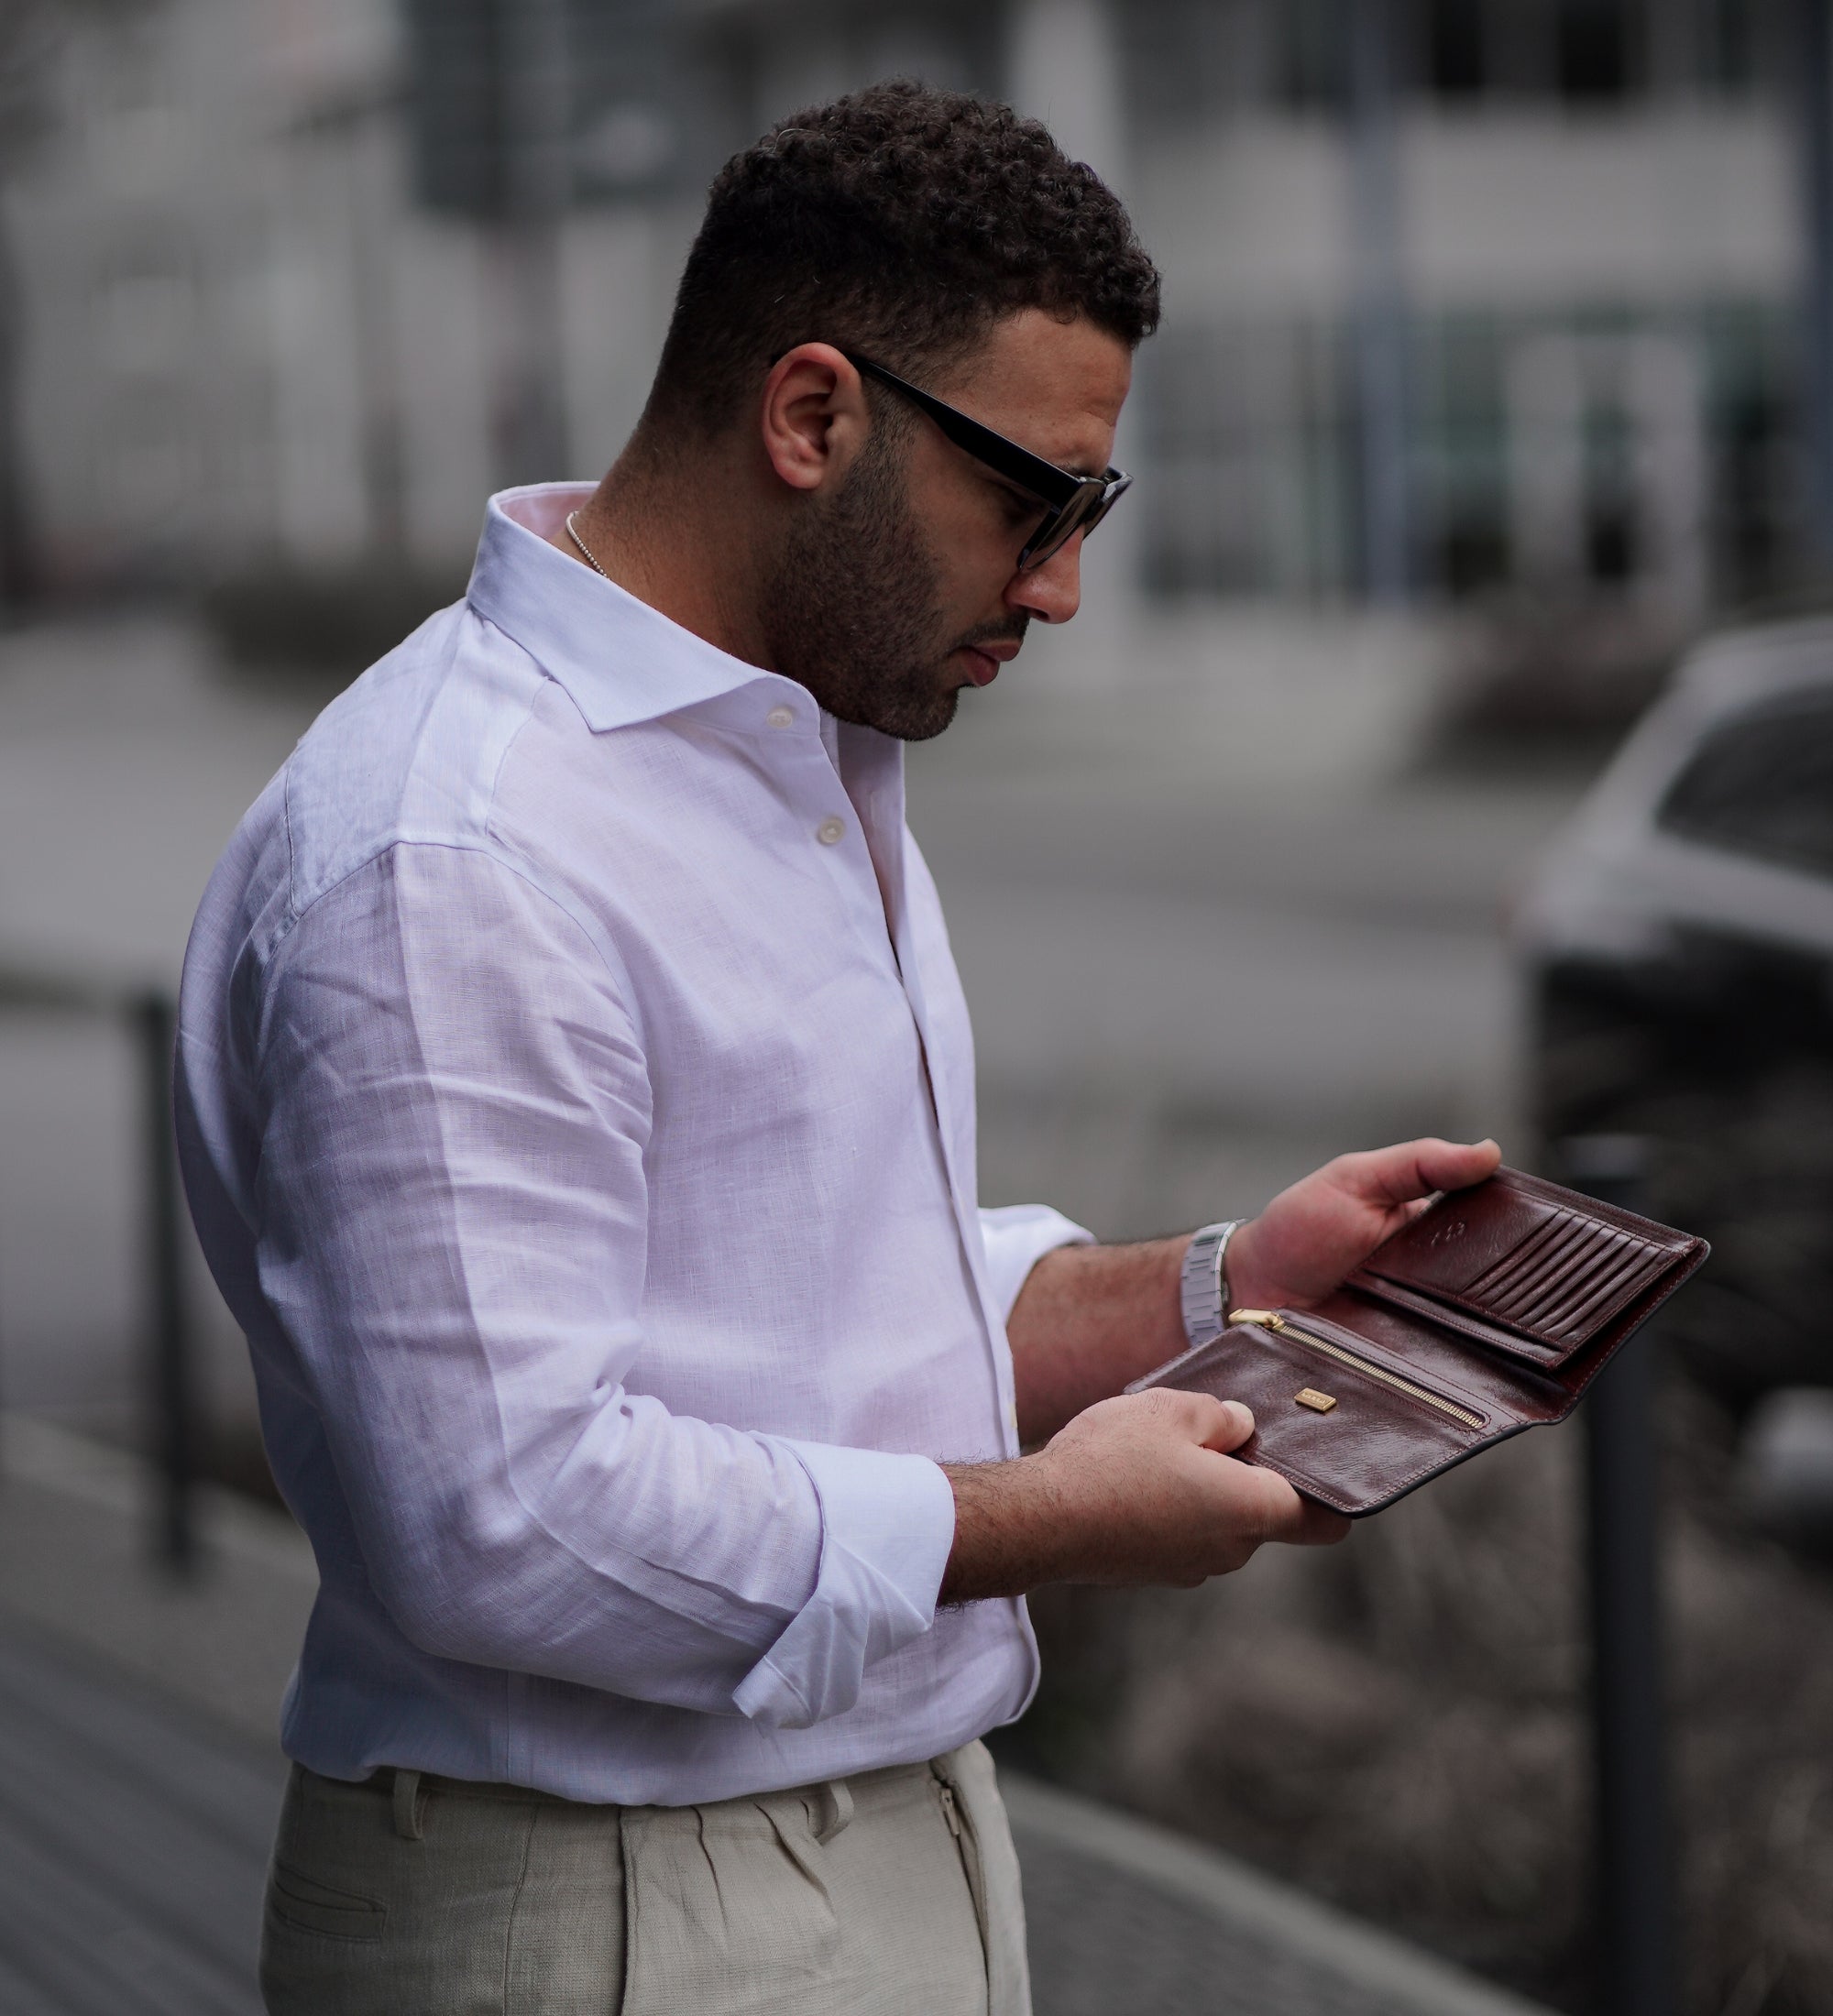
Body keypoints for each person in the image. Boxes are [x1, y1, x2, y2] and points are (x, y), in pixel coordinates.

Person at [176, 81, 1500, 2016]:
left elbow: (808, 1302)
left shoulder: (799, 745)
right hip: (601, 1906)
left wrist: (1224, 1289)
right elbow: (506, 1516)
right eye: (1031, 500)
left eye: (1092, 508)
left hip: (852, 1853)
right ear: (812, 417)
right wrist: (1056, 1520)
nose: (1057, 581)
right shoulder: (453, 848)